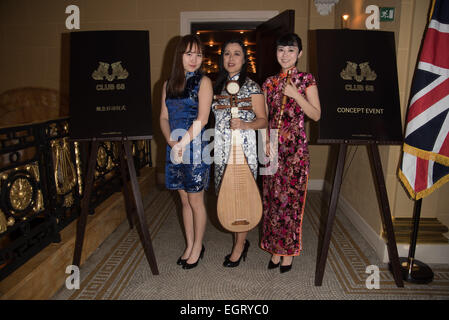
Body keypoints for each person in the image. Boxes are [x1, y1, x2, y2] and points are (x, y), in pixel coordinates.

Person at [260, 33, 321, 273]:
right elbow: (264, 117)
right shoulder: (269, 82)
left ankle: (288, 253)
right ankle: (274, 249)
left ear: (299, 53)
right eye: (281, 50)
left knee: (291, 203)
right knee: (272, 202)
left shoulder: (306, 79)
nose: (285, 55)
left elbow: (316, 115)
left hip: (295, 150)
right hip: (272, 148)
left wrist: (296, 94)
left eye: (291, 50)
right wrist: (265, 139)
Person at [212, 39, 267, 267]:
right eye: (226, 53)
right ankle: (239, 239)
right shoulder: (216, 86)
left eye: (236, 54)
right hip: (220, 147)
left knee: (242, 196)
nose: (231, 58)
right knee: (227, 195)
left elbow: (263, 120)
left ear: (244, 60)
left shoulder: (253, 86)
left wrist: (246, 125)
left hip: (244, 149)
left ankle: (239, 245)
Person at [160, 34, 213, 269]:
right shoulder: (167, 85)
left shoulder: (204, 82)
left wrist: (181, 144)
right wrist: (172, 142)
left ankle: (198, 245)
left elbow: (202, 119)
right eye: (189, 53)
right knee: (183, 200)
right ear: (179, 55)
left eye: (199, 54)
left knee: (196, 200)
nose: (194, 59)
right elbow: (163, 117)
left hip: (196, 149)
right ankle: (190, 244)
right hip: (175, 148)